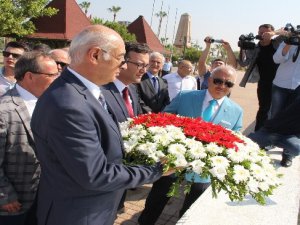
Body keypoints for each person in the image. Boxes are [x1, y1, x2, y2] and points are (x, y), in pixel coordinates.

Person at [30, 25, 165, 225]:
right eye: (121, 57)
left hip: (94, 209)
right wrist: (156, 170)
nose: (123, 64)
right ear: (94, 55)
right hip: (76, 215)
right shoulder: (67, 104)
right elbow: (96, 175)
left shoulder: (87, 91)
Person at [138, 65, 243, 224]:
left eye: (228, 84)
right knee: (157, 199)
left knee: (192, 207)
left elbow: (235, 140)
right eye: (218, 81)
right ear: (209, 80)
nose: (222, 86)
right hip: (173, 159)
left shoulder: (236, 111)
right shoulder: (185, 96)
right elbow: (164, 118)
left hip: (204, 169)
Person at [0, 51, 59, 225]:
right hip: (14, 204)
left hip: (44, 197)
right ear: (29, 76)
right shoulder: (4, 111)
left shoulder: (51, 104)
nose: (57, 79)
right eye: (51, 75)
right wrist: (4, 195)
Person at [101, 42, 151, 213]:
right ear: (123, 62)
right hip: (105, 175)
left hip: (123, 172)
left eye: (146, 65)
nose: (143, 70)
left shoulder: (132, 89)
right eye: (139, 64)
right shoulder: (101, 92)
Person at [238, 24, 285, 131]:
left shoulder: (278, 43)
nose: (262, 35)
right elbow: (243, 63)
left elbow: (288, 33)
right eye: (260, 33)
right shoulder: (254, 48)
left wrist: (274, 33)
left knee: (278, 110)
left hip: (280, 83)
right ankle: (258, 133)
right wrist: (242, 48)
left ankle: (274, 134)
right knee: (264, 109)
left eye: (265, 33)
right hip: (263, 83)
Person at [248, 98, 300, 167]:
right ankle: (266, 143)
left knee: (296, 148)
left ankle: (287, 155)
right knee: (248, 140)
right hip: (272, 131)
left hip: (289, 136)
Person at [270, 40, 300, 119]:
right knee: (275, 115)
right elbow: (276, 59)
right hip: (280, 85)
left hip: (298, 86)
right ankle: (272, 131)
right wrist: (289, 44)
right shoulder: (287, 41)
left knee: (292, 117)